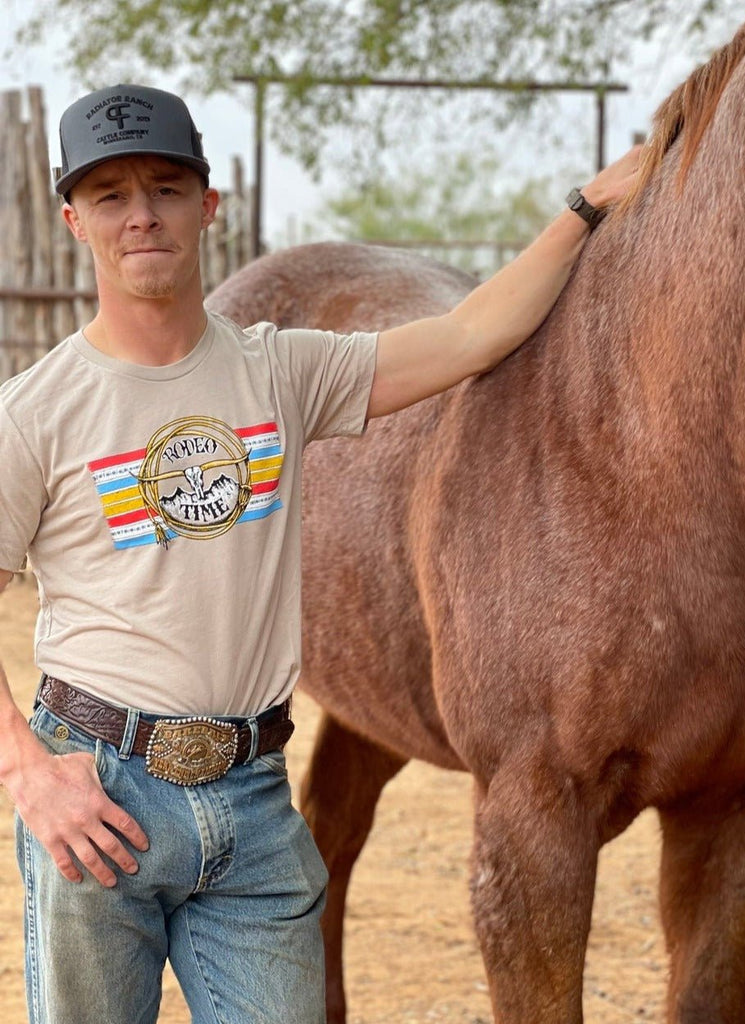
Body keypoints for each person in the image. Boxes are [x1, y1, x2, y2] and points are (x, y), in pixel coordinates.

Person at [0, 83, 639, 1023]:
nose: (142, 215)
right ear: (73, 219)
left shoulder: (281, 370)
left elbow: (470, 334)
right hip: (101, 800)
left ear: (207, 205)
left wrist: (583, 211)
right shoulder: (36, 411)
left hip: (254, 803)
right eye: (111, 195)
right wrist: (27, 774)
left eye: (167, 188)